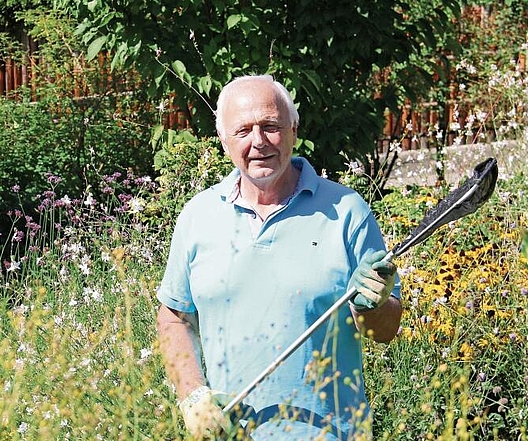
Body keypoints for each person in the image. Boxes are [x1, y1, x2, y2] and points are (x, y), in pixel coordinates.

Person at [156, 75, 403, 440]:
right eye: (243, 130)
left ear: (293, 129)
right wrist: (192, 395)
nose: (259, 142)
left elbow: (386, 330)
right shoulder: (198, 216)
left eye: (271, 126)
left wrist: (373, 305)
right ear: (224, 142)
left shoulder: (346, 211)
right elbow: (174, 317)